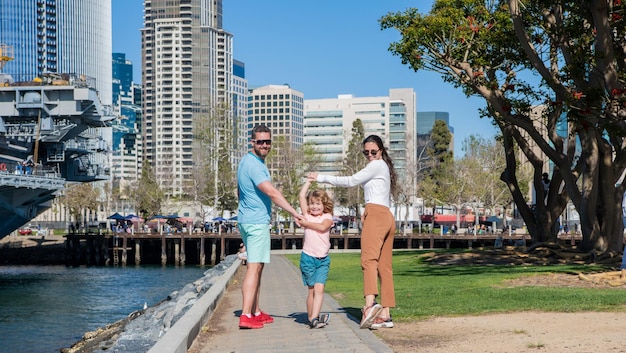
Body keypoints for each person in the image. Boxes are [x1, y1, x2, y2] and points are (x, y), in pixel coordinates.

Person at [308, 134, 397, 330]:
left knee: (368, 260)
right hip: (386, 216)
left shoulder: (376, 165)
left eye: (374, 151)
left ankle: (369, 306)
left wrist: (320, 177)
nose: (370, 155)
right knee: (384, 267)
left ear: (381, 150)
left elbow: (350, 181)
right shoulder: (384, 168)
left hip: (377, 215)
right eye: (366, 153)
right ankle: (385, 315)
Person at [237, 124, 303, 329]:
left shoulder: (247, 161)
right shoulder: (255, 166)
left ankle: (255, 311)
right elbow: (272, 193)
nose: (264, 145)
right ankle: (246, 315)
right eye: (260, 142)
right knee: (254, 267)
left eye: (267, 141)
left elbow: (239, 191)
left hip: (247, 220)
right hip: (256, 222)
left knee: (258, 267)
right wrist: (294, 213)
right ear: (252, 142)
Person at [296, 178, 334, 329]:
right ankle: (312, 317)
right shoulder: (307, 215)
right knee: (311, 290)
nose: (314, 206)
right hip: (308, 258)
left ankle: (314, 318)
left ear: (324, 205)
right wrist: (309, 182)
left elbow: (322, 228)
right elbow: (300, 196)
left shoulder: (327, 217)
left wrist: (305, 224)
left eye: (318, 203)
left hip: (323, 260)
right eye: (312, 203)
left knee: (320, 289)